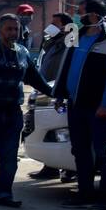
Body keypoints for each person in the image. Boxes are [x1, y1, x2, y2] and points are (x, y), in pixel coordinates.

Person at [0, 13, 54, 206]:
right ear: (0, 30)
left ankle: (4, 194)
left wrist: (55, 92)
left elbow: (35, 78)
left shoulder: (22, 52)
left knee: (9, 156)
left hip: (12, 113)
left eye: (16, 29)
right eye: (9, 29)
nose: (13, 32)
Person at [53, 0, 106, 210]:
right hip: (76, 105)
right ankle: (85, 194)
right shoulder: (76, 36)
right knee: (80, 151)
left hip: (97, 109)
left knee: (104, 153)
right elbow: (65, 65)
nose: (77, 16)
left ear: (93, 16)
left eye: (80, 13)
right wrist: (60, 93)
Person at [28, 13, 76, 181]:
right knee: (48, 126)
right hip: (48, 89)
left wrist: (68, 31)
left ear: (64, 25)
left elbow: (72, 51)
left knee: (62, 129)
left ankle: (71, 169)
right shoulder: (53, 41)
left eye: (54, 23)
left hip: (61, 91)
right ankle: (51, 166)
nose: (51, 25)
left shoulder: (71, 38)